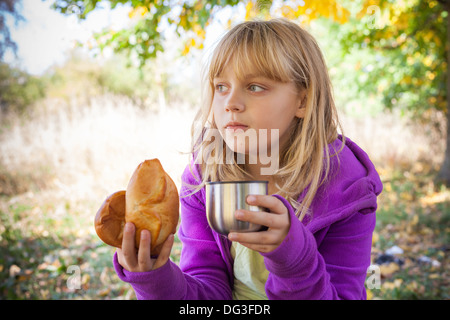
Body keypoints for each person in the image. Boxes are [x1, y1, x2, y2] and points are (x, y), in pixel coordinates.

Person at [113, 18, 383, 300]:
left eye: (254, 87)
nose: (231, 102)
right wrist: (156, 280)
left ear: (302, 101)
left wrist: (294, 259)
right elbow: (208, 291)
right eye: (220, 87)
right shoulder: (203, 179)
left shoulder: (346, 188)